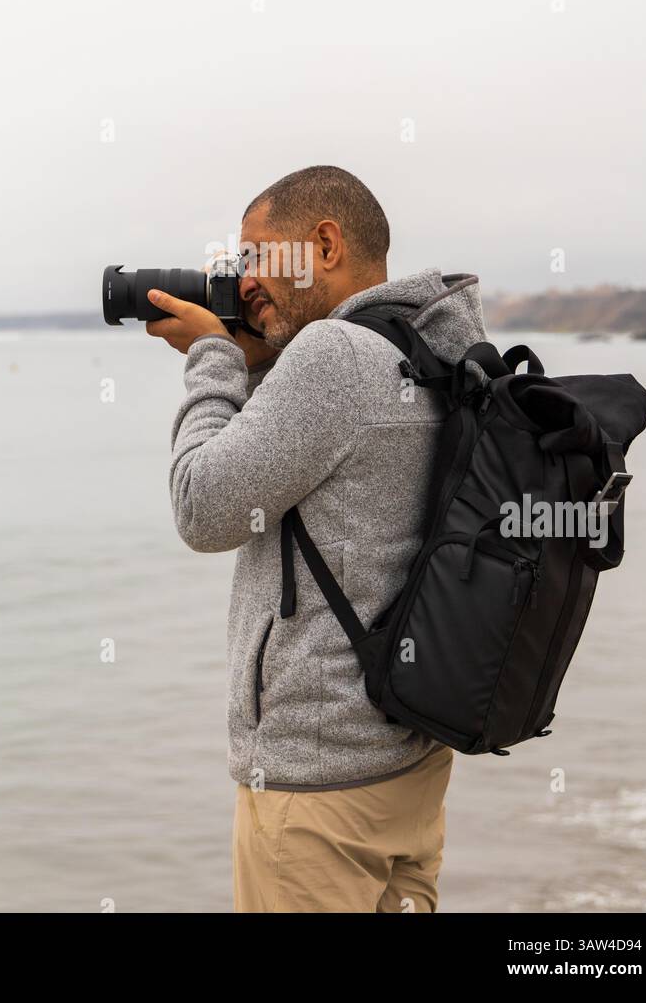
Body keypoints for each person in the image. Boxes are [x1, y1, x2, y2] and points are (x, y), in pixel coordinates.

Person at [146, 165, 487, 913]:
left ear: (324, 243)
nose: (244, 280)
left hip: (315, 792)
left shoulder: (332, 358)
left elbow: (203, 507)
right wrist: (266, 357)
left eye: (257, 255)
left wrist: (215, 359)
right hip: (408, 762)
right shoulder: (433, 348)